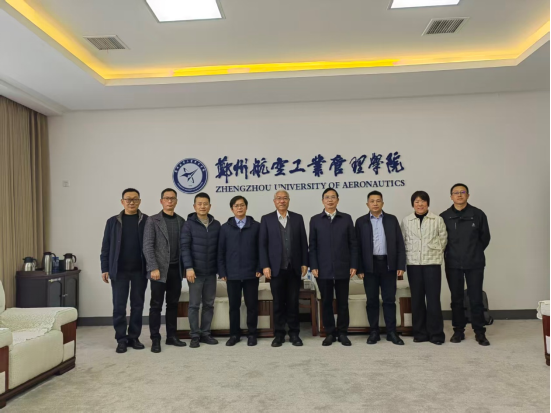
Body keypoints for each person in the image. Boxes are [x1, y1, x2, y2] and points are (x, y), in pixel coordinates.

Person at [441, 184, 492, 346]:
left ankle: (479, 332)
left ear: (468, 195)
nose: (459, 195)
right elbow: (441, 239)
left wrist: (474, 251)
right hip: (453, 263)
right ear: (451, 197)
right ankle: (458, 331)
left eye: (462, 192)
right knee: (456, 299)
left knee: (476, 298)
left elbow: (485, 238)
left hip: (474, 263)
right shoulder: (444, 216)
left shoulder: (478, 214)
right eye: (456, 193)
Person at [101, 188, 149, 354]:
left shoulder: (147, 221)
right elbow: (106, 247)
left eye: (135, 199)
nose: (131, 202)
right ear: (122, 202)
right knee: (119, 306)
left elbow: (152, 245)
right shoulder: (112, 222)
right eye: (128, 199)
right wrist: (105, 268)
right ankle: (121, 339)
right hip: (119, 271)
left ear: (139, 201)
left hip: (139, 271)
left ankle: (134, 337)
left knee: (137, 305)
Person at [356, 191, 407, 346]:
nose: (375, 203)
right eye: (372, 201)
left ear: (383, 203)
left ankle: (391, 332)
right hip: (369, 265)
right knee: (371, 300)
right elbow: (356, 247)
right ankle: (374, 332)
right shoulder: (361, 221)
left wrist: (400, 265)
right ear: (367, 204)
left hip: (388, 264)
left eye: (378, 201)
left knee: (389, 300)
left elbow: (399, 243)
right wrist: (359, 268)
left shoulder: (391, 219)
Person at [260, 190, 309, 348]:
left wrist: (305, 262)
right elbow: (263, 245)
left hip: (294, 267)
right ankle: (279, 334)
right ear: (274, 201)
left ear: (289, 200)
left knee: (293, 302)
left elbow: (303, 242)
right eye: (279, 198)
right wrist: (265, 265)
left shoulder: (297, 218)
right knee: (278, 303)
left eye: (285, 198)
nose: (282, 201)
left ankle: (294, 333)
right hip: (276, 269)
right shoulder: (266, 219)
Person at [309, 189, 358, 347]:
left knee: (343, 302)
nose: (330, 200)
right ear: (322, 201)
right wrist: (313, 265)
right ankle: (329, 332)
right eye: (327, 197)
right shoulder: (315, 220)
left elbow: (353, 244)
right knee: (326, 302)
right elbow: (312, 246)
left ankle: (343, 332)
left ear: (338, 200)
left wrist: (354, 264)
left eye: (333, 197)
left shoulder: (346, 218)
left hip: (343, 267)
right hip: (323, 269)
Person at [143, 188, 187, 353]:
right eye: (167, 198)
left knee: (173, 304)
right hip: (159, 271)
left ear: (176, 201)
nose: (170, 201)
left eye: (172, 198)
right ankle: (155, 338)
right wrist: (153, 267)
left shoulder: (181, 221)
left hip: (176, 270)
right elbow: (148, 246)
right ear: (161, 201)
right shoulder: (152, 220)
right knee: (156, 305)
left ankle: (171, 336)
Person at [401, 191, 448, 346]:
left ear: (428, 203)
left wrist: (434, 252)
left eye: (423, 201)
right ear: (412, 204)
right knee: (417, 299)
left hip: (432, 264)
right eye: (416, 202)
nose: (420, 204)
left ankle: (436, 334)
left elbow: (443, 239)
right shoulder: (406, 221)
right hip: (413, 264)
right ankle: (420, 333)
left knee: (433, 300)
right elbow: (402, 241)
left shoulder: (437, 219)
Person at [218, 196, 262, 347]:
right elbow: (220, 251)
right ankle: (234, 335)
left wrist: (259, 268)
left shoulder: (256, 226)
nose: (239, 208)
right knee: (234, 307)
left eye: (242, 205)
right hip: (232, 274)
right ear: (232, 209)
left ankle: (252, 334)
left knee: (252, 306)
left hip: (252, 273)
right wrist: (222, 271)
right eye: (236, 206)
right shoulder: (225, 228)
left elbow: (261, 249)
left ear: (246, 207)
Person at [181, 193, 221, 349]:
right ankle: (194, 336)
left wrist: (220, 270)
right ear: (194, 206)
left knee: (209, 304)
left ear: (210, 206)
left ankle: (205, 334)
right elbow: (185, 248)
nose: (202, 206)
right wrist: (189, 268)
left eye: (205, 204)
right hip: (195, 273)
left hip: (211, 272)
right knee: (194, 305)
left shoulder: (216, 225)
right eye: (199, 203)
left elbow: (220, 249)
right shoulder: (188, 225)